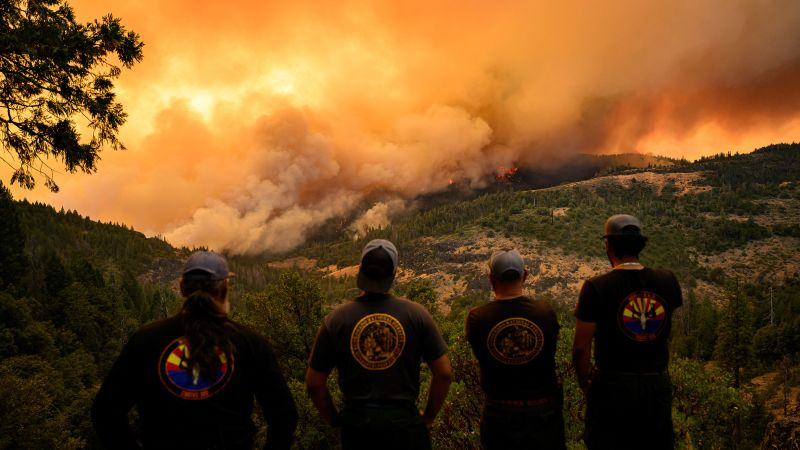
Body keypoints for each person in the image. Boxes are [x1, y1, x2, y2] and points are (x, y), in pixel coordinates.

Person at [92, 251, 298, 449]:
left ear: (182, 288)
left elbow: (105, 412)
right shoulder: (250, 342)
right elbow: (284, 416)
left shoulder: (145, 341)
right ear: (224, 289)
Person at [305, 239, 452, 450]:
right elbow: (444, 373)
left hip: (358, 426)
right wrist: (428, 417)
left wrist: (336, 420)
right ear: (393, 274)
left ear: (360, 270)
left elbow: (314, 383)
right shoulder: (416, 315)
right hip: (405, 424)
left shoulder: (336, 320)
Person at [572, 214, 683, 450]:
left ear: (608, 246)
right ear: (641, 245)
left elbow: (581, 348)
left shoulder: (597, 288)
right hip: (656, 384)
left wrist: (585, 383)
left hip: (612, 385)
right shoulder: (667, 282)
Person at [466, 249, 565, 450]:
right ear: (525, 276)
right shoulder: (546, 313)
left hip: (500, 414)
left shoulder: (478, 318)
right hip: (544, 413)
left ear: (491, 279)